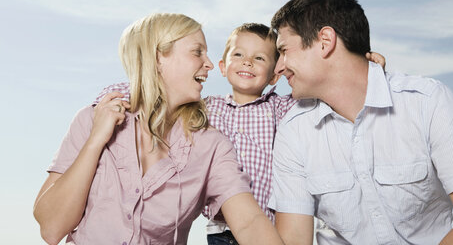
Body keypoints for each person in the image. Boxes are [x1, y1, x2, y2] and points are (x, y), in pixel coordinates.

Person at [94, 22, 386, 245]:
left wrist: (364, 69)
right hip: (221, 229)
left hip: (270, 226)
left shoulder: (281, 108)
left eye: (260, 58)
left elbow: (326, 94)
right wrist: (111, 99)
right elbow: (152, 93)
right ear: (222, 66)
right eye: (238, 54)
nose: (247, 62)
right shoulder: (205, 109)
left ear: (275, 75)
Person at [33, 13, 286, 245]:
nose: (209, 64)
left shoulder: (212, 146)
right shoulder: (91, 119)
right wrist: (95, 142)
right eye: (197, 52)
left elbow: (249, 222)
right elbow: (52, 229)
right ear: (157, 57)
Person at [268, 0, 453, 244]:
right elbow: (294, 240)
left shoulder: (428, 102)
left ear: (325, 42)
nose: (279, 67)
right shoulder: (292, 131)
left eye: (284, 50)